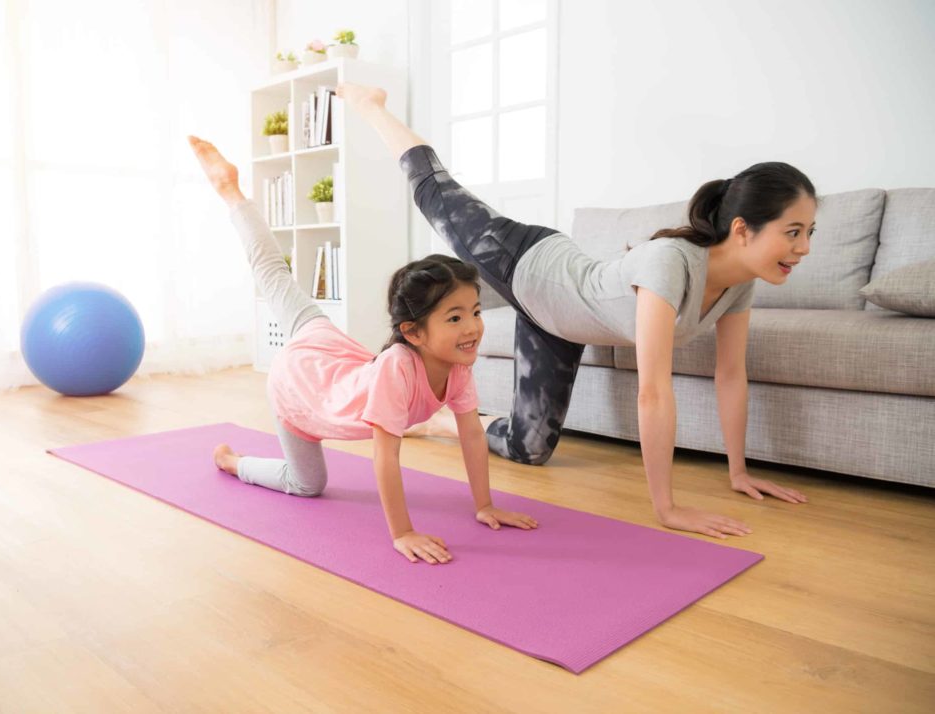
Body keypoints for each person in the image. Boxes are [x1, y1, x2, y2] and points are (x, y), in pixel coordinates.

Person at [337, 82, 811, 540]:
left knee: (531, 449)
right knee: (435, 191)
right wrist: (667, 509)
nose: (804, 247)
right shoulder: (672, 264)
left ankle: (437, 422)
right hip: (526, 261)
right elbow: (653, 393)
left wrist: (738, 472)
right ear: (744, 229)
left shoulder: (739, 286)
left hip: (558, 324)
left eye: (810, 231)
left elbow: (730, 375)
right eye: (793, 232)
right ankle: (371, 105)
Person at [187, 135, 538, 565]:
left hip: (325, 345)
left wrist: (484, 504)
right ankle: (235, 463)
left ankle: (231, 192)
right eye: (454, 317)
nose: (473, 328)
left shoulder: (455, 361)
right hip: (300, 386)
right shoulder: (397, 369)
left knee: (276, 277)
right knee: (306, 484)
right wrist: (402, 532)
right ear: (414, 332)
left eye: (476, 312)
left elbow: (470, 432)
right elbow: (386, 458)